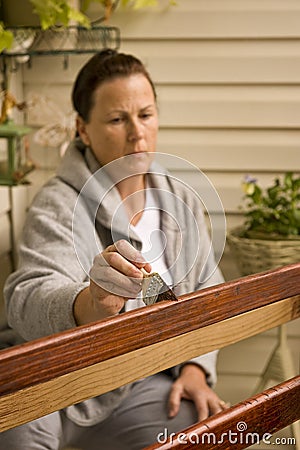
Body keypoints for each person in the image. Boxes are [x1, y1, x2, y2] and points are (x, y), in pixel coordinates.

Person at [1, 49, 227, 450]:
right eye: (117, 119)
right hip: (50, 384)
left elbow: (208, 294)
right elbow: (27, 296)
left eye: (145, 114)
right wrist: (90, 302)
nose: (137, 133)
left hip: (135, 385)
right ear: (83, 129)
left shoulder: (180, 200)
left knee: (201, 432)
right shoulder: (58, 204)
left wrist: (195, 366)